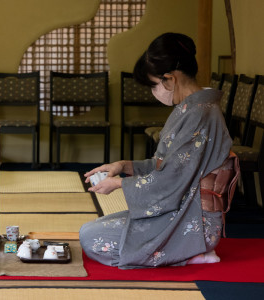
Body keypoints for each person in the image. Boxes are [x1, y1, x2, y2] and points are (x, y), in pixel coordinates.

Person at [79, 32, 235, 269]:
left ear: (170, 79)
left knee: (92, 238)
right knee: (93, 229)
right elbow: (167, 166)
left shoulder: (200, 114)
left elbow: (171, 179)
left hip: (194, 221)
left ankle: (190, 252)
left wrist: (120, 184)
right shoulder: (191, 108)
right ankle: (187, 252)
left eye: (154, 85)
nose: (155, 92)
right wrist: (123, 166)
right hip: (181, 209)